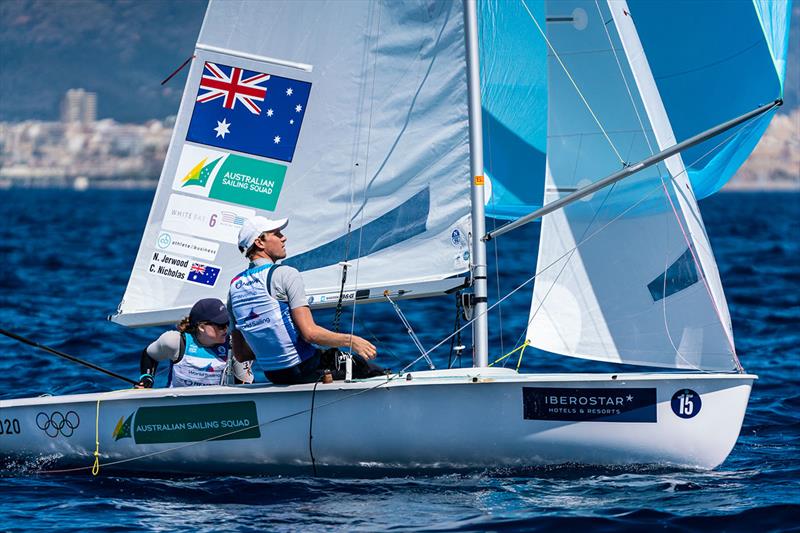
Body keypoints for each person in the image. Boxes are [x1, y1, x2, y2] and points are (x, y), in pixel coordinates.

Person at [228, 216, 381, 385]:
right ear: (260, 242)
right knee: (372, 371)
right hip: (305, 368)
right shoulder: (285, 273)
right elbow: (309, 334)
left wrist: (271, 350)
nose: (283, 238)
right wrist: (351, 341)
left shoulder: (234, 287)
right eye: (277, 234)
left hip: (274, 375)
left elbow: (241, 354)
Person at [135, 298, 253, 388]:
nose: (226, 329)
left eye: (228, 323)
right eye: (221, 325)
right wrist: (147, 378)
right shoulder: (175, 342)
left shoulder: (234, 346)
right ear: (201, 327)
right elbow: (149, 355)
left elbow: (245, 385)